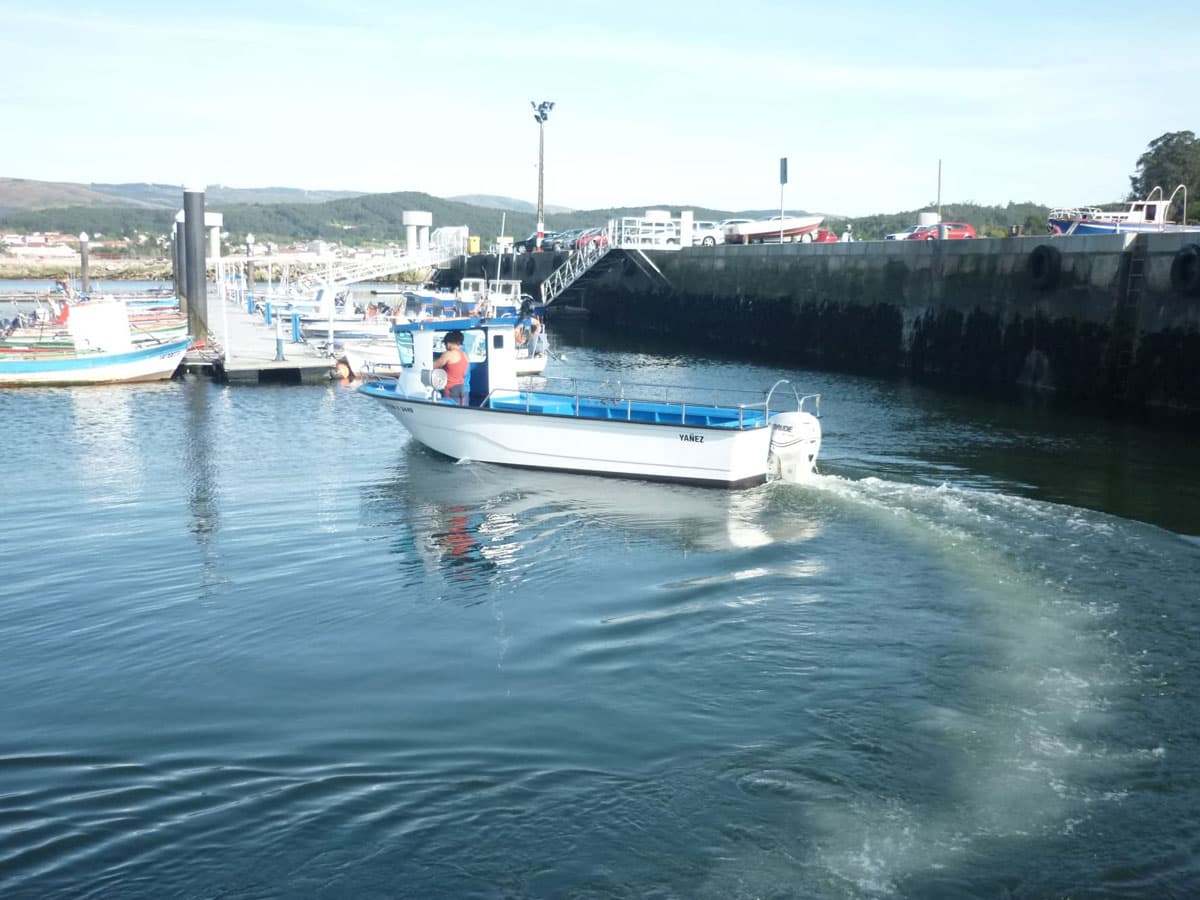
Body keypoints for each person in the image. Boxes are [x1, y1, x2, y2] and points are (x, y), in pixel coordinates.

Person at [433, 330, 469, 405]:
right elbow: (464, 373)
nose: (445, 346)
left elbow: (434, 365)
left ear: (448, 343)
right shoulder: (465, 355)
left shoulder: (448, 354)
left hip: (450, 389)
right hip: (461, 388)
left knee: (449, 410)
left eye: (445, 344)